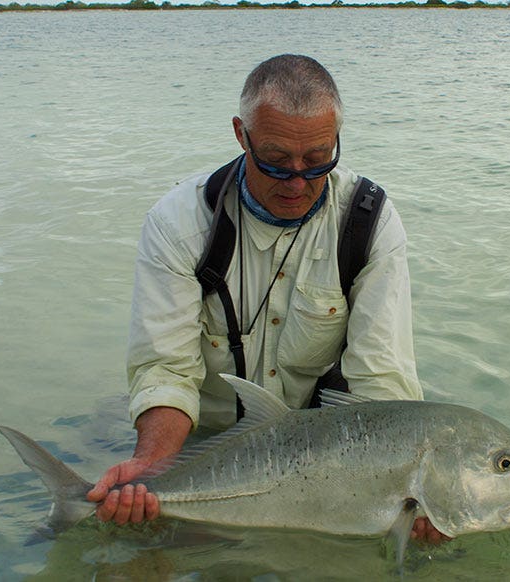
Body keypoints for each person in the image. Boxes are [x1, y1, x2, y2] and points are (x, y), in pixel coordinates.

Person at [87, 54, 449, 544]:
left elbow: (379, 385)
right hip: (204, 445)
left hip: (324, 458)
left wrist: (411, 489)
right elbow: (167, 370)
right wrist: (152, 466)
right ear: (242, 135)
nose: (298, 182)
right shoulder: (178, 225)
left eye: (319, 159)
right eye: (276, 162)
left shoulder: (369, 225)